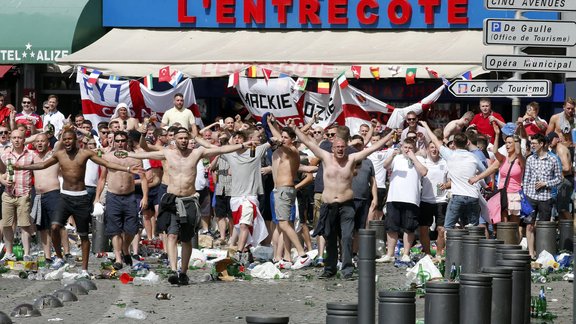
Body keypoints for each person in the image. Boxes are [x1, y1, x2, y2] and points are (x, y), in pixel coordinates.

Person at [120, 127, 253, 284]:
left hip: (189, 200)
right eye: (180, 138)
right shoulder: (168, 153)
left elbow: (222, 149)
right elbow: (146, 153)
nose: (183, 140)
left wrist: (243, 145)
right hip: (172, 199)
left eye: (185, 138)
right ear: (175, 139)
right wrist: (127, 154)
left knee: (186, 239)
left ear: (189, 139)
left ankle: (183, 272)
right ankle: (174, 269)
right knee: (171, 235)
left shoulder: (197, 153)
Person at [14, 128, 142, 276]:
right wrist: (22, 167)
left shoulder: (85, 153)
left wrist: (127, 168)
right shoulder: (59, 154)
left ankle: (84, 269)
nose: (67, 142)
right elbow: (42, 165)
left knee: (83, 235)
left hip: (81, 197)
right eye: (65, 139)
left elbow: (106, 164)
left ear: (76, 140)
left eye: (70, 139)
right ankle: (60, 258)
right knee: (54, 227)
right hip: (65, 196)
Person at [293, 123, 393, 279]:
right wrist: (295, 129)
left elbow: (373, 148)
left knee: (346, 237)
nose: (340, 149)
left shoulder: (351, 159)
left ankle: (347, 269)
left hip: (347, 206)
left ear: (346, 147)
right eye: (337, 147)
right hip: (328, 205)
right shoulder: (326, 157)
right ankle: (330, 269)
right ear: (332, 148)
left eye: (342, 147)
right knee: (330, 237)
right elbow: (308, 142)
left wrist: (389, 135)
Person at [94, 131, 148, 270]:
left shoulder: (134, 157)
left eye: (122, 140)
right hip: (113, 196)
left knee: (132, 228)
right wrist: (97, 198)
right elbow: (102, 179)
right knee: (114, 229)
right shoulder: (108, 157)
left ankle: (125, 248)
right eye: (117, 140)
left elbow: (143, 178)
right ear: (113, 142)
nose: (120, 143)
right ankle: (118, 257)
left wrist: (145, 196)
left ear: (127, 141)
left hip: (130, 196)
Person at [421, 121, 486, 229]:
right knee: (473, 228)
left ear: (454, 144)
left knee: (448, 227)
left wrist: (426, 126)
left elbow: (435, 140)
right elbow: (485, 171)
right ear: (467, 143)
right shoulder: (474, 157)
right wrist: (477, 177)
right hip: (473, 196)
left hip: (457, 196)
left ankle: (454, 246)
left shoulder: (450, 154)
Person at [219, 129, 270, 265]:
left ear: (246, 140)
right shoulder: (231, 155)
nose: (237, 140)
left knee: (244, 225)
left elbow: (273, 141)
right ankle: (247, 253)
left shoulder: (256, 152)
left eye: (240, 138)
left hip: (249, 197)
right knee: (240, 227)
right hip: (235, 198)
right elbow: (212, 148)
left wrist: (270, 125)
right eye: (235, 138)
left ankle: (239, 253)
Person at [267, 118, 313, 270]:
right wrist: (270, 124)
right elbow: (280, 139)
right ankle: (287, 258)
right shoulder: (284, 149)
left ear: (293, 140)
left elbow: (283, 144)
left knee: (284, 224)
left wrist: (279, 141)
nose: (283, 140)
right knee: (284, 224)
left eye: (286, 137)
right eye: (283, 137)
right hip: (282, 191)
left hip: (285, 190)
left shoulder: (292, 151)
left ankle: (302, 254)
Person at [378, 138, 427, 263]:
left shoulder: (419, 159)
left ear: (414, 148)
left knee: (409, 227)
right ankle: (390, 254)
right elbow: (385, 166)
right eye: (405, 147)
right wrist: (392, 155)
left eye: (410, 148)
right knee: (391, 227)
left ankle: (406, 253)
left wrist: (414, 158)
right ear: (402, 147)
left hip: (411, 198)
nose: (407, 150)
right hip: (394, 197)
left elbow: (424, 172)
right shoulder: (397, 158)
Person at [29, 133, 66, 267]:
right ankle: (48, 256)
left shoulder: (53, 155)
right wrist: (34, 137)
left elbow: (60, 144)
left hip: (53, 194)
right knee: (42, 227)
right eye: (37, 141)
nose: (39, 143)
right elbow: (20, 141)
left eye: (42, 141)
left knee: (56, 226)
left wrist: (66, 128)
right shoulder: (32, 156)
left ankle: (63, 254)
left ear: (48, 143)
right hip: (38, 195)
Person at [523, 134, 562, 258]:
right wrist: (525, 195)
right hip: (531, 195)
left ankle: (542, 252)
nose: (532, 145)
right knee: (529, 225)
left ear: (542, 144)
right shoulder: (530, 159)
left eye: (534, 143)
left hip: (546, 196)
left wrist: (546, 183)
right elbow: (527, 178)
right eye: (532, 143)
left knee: (543, 227)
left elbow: (559, 178)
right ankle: (531, 253)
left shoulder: (553, 159)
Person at [0, 130, 35, 263]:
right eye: (14, 137)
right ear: (11, 139)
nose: (16, 140)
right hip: (8, 194)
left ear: (23, 139)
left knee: (24, 225)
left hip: (23, 194)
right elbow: (0, 172)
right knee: (7, 225)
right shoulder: (5, 155)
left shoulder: (31, 155)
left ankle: (27, 253)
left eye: (19, 138)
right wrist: (2, 181)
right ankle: (9, 253)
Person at [418, 141, 449, 257]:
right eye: (431, 147)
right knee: (424, 228)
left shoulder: (445, 163)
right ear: (428, 149)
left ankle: (439, 253)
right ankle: (427, 253)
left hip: (441, 200)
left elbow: (451, 180)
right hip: (425, 199)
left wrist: (446, 185)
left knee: (441, 229)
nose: (434, 150)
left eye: (436, 147)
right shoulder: (423, 161)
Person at [547, 132, 573, 220]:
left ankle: (570, 231)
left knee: (563, 209)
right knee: (560, 209)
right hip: (563, 181)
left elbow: (566, 167)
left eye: (551, 140)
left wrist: (553, 168)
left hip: (566, 181)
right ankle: (564, 231)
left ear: (557, 139)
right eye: (548, 140)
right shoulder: (555, 149)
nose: (549, 142)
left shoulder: (560, 149)